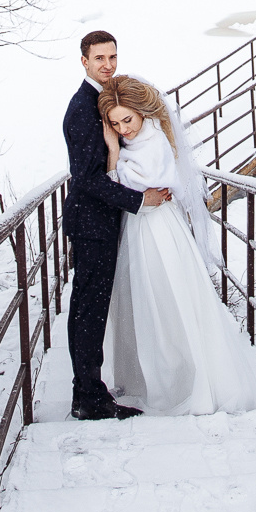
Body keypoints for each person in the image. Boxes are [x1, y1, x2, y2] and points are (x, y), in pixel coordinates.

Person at [99, 75, 256, 416]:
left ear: (142, 113)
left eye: (127, 120)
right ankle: (153, 374)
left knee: (168, 299)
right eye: (115, 124)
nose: (123, 129)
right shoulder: (137, 141)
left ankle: (185, 380)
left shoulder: (154, 141)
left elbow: (128, 189)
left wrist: (113, 154)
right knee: (147, 300)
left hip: (157, 229)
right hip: (140, 227)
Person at [61, 30, 171, 420]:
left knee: (90, 310)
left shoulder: (102, 100)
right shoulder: (82, 108)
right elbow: (88, 179)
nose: (107, 65)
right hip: (92, 225)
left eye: (112, 57)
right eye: (99, 59)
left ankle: (88, 393)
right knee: (88, 311)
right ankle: (89, 399)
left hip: (102, 222)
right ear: (84, 62)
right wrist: (140, 200)